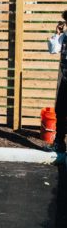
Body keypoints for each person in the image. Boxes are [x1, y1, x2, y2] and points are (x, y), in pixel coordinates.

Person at [47, 10, 67, 163]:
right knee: (60, 111)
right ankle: (59, 143)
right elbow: (53, 50)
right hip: (65, 80)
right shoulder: (64, 37)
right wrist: (58, 33)